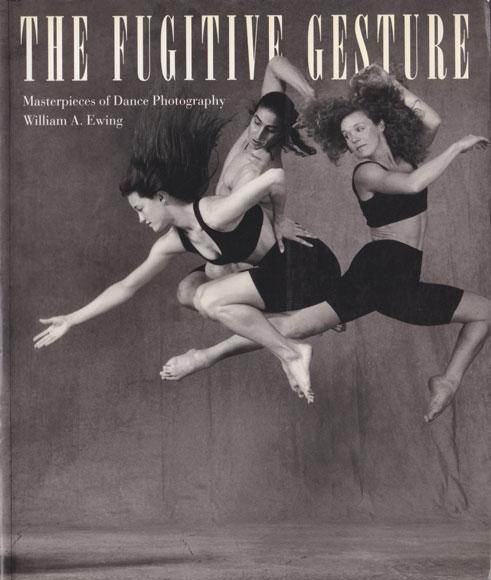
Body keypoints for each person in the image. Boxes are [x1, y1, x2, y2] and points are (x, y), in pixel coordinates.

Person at [163, 65, 490, 423]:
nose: (354, 140)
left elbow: (432, 120)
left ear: (381, 124)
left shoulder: (408, 159)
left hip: (405, 283)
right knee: (295, 327)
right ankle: (204, 356)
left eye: (359, 129)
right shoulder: (366, 173)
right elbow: (413, 185)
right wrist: (457, 147)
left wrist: (389, 84)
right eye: (347, 136)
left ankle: (447, 381)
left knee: (485, 312)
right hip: (377, 272)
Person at [33, 99, 342, 403]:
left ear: (161, 197)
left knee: (208, 298)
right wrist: (72, 319)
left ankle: (291, 352)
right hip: (275, 274)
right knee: (190, 292)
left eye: (140, 208)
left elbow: (275, 176)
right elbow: (127, 286)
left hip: (310, 266)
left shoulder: (214, 214)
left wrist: (279, 219)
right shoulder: (175, 240)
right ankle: (289, 337)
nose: (140, 219)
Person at [175, 55, 320, 311]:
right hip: (230, 241)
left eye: (270, 130)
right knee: (186, 292)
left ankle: (302, 307)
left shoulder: (261, 165)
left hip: (250, 250)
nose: (259, 135)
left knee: (212, 282)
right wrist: (309, 95)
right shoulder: (253, 133)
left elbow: (231, 230)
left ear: (281, 133)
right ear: (254, 116)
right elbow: (275, 64)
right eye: (256, 123)